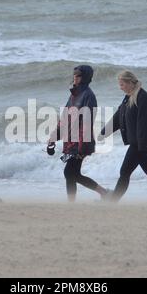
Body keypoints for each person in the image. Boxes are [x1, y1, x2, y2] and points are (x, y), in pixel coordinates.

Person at [99, 70, 147, 204]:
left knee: (125, 172)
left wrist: (142, 147)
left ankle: (113, 201)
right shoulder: (128, 97)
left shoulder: (143, 98)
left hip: (142, 144)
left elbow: (145, 124)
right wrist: (103, 133)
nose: (120, 87)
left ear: (130, 83)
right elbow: (118, 117)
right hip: (138, 144)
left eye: (122, 84)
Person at [48, 65, 108, 202]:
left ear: (85, 77)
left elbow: (87, 123)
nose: (75, 77)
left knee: (69, 173)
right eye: (74, 74)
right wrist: (53, 138)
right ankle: (100, 194)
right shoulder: (74, 95)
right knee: (72, 174)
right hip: (70, 141)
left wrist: (82, 147)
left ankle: (101, 193)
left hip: (81, 142)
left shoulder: (88, 96)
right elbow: (64, 120)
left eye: (79, 75)